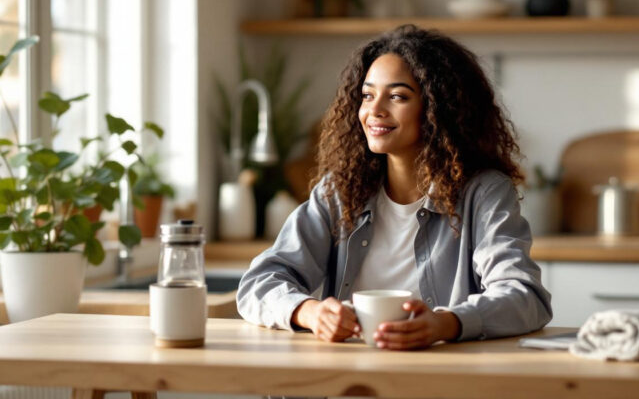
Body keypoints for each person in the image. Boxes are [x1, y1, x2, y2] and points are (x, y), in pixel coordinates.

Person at [236, 24, 552, 350]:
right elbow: (258, 283)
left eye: (397, 96)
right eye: (368, 95)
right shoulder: (340, 192)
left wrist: (447, 323)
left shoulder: (483, 193)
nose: (374, 111)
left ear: (437, 109)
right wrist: (310, 312)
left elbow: (525, 297)